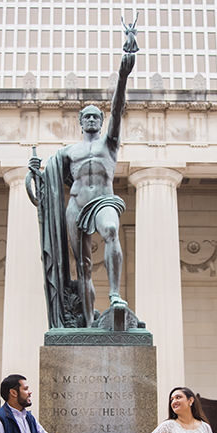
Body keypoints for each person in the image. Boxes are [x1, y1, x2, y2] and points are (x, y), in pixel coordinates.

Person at [25, 30, 137, 328]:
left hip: (102, 201)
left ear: (101, 123)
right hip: (76, 204)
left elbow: (117, 108)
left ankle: (115, 295)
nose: (91, 120)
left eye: (95, 117)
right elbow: (49, 183)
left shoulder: (108, 144)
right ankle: (87, 322)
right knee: (82, 267)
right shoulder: (68, 151)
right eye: (86, 117)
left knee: (111, 229)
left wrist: (123, 75)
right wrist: (35, 171)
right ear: (80, 122)